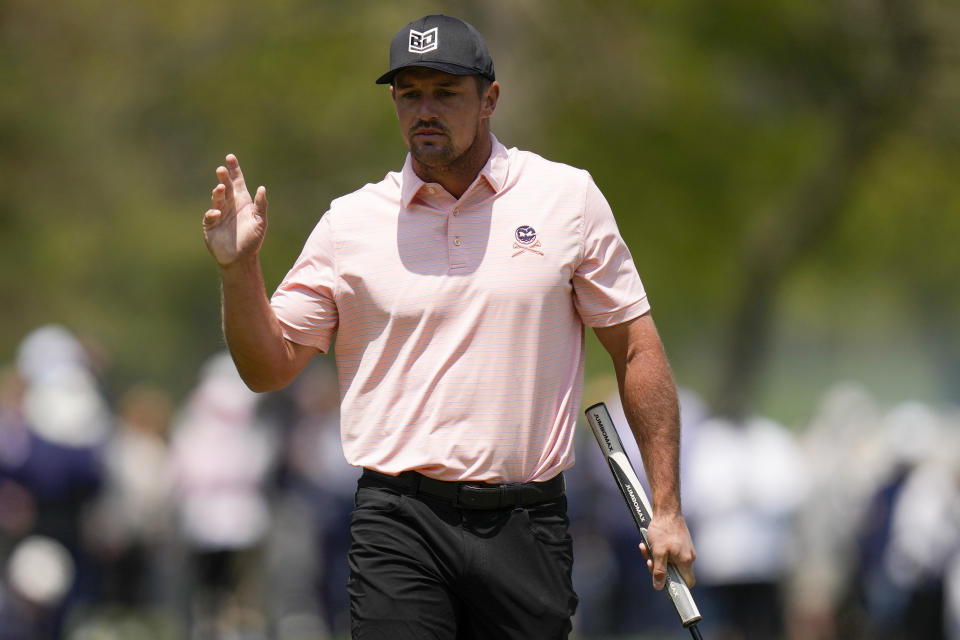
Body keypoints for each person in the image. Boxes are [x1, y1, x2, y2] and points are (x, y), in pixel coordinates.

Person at [201, 14, 696, 639]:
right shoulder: (349, 223)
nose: (424, 110)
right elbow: (267, 367)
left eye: (445, 92)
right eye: (410, 94)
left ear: (489, 98)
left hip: (528, 521)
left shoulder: (566, 199)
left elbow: (635, 349)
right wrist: (239, 268)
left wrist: (667, 508)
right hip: (399, 520)